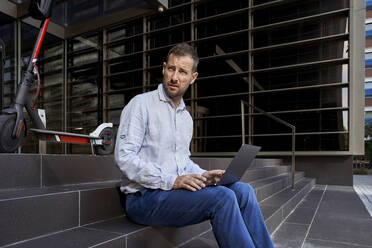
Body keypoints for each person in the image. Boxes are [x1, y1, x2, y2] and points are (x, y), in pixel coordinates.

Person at [114, 43, 274, 248]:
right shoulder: (140, 104)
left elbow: (182, 161)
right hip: (143, 198)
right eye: (171, 69)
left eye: (182, 72)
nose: (175, 77)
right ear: (164, 68)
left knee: (243, 191)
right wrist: (172, 180)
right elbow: (124, 157)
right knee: (222, 198)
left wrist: (204, 176)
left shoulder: (186, 118)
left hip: (170, 194)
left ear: (193, 78)